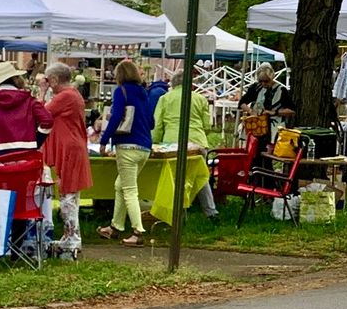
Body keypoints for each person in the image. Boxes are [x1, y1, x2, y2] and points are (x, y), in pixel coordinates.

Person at [97, 59, 153, 247]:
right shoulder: (143, 93)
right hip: (144, 147)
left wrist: (104, 140)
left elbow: (115, 119)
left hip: (127, 146)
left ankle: (138, 232)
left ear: (120, 75)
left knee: (129, 190)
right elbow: (151, 122)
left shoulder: (121, 92)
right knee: (120, 185)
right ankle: (115, 226)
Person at [151, 70, 219, 223]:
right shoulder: (200, 98)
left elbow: (157, 126)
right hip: (197, 142)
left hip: (172, 143)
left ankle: (178, 214)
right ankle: (211, 211)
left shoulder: (164, 99)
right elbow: (207, 125)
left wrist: (155, 143)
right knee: (201, 177)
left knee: (173, 179)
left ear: (173, 84)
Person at [41, 63, 92, 259]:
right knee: (68, 194)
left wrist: (42, 91)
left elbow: (41, 114)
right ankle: (70, 235)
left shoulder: (65, 96)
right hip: (72, 146)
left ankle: (72, 237)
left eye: (48, 80)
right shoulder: (72, 95)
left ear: (53, 80)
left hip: (69, 148)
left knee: (68, 195)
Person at [239, 63, 296, 143]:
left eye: (266, 81)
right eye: (260, 81)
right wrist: (251, 112)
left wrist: (274, 112)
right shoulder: (256, 88)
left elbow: (292, 110)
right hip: (256, 127)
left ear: (272, 77)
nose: (263, 84)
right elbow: (242, 103)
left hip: (274, 129)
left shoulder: (281, 90)